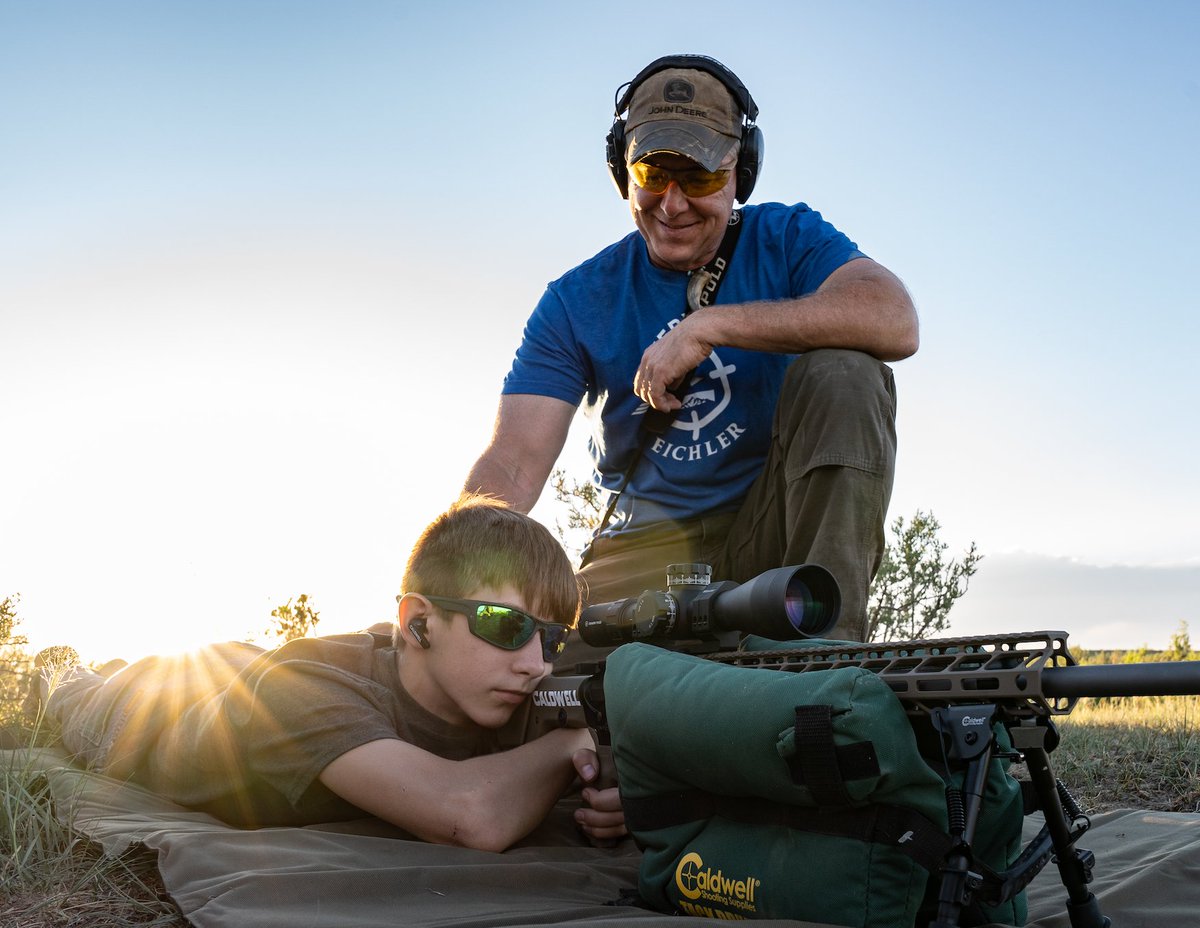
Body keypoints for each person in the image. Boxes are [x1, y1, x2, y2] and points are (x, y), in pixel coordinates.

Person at [463, 55, 919, 643]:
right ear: (621, 171)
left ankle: (822, 659)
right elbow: (513, 464)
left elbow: (894, 319)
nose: (672, 205)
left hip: (771, 539)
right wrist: (452, 570)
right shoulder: (576, 299)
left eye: (700, 178)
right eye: (652, 175)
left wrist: (710, 326)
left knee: (846, 372)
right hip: (643, 551)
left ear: (740, 173)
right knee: (552, 683)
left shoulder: (788, 238)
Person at [45, 496, 626, 851]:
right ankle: (79, 674)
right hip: (140, 719)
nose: (535, 663)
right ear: (420, 622)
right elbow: (467, 816)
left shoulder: (506, 686)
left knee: (247, 659)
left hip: (256, 667)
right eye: (505, 625)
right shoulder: (302, 689)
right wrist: (568, 748)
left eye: (552, 637)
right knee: (80, 691)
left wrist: (613, 792)